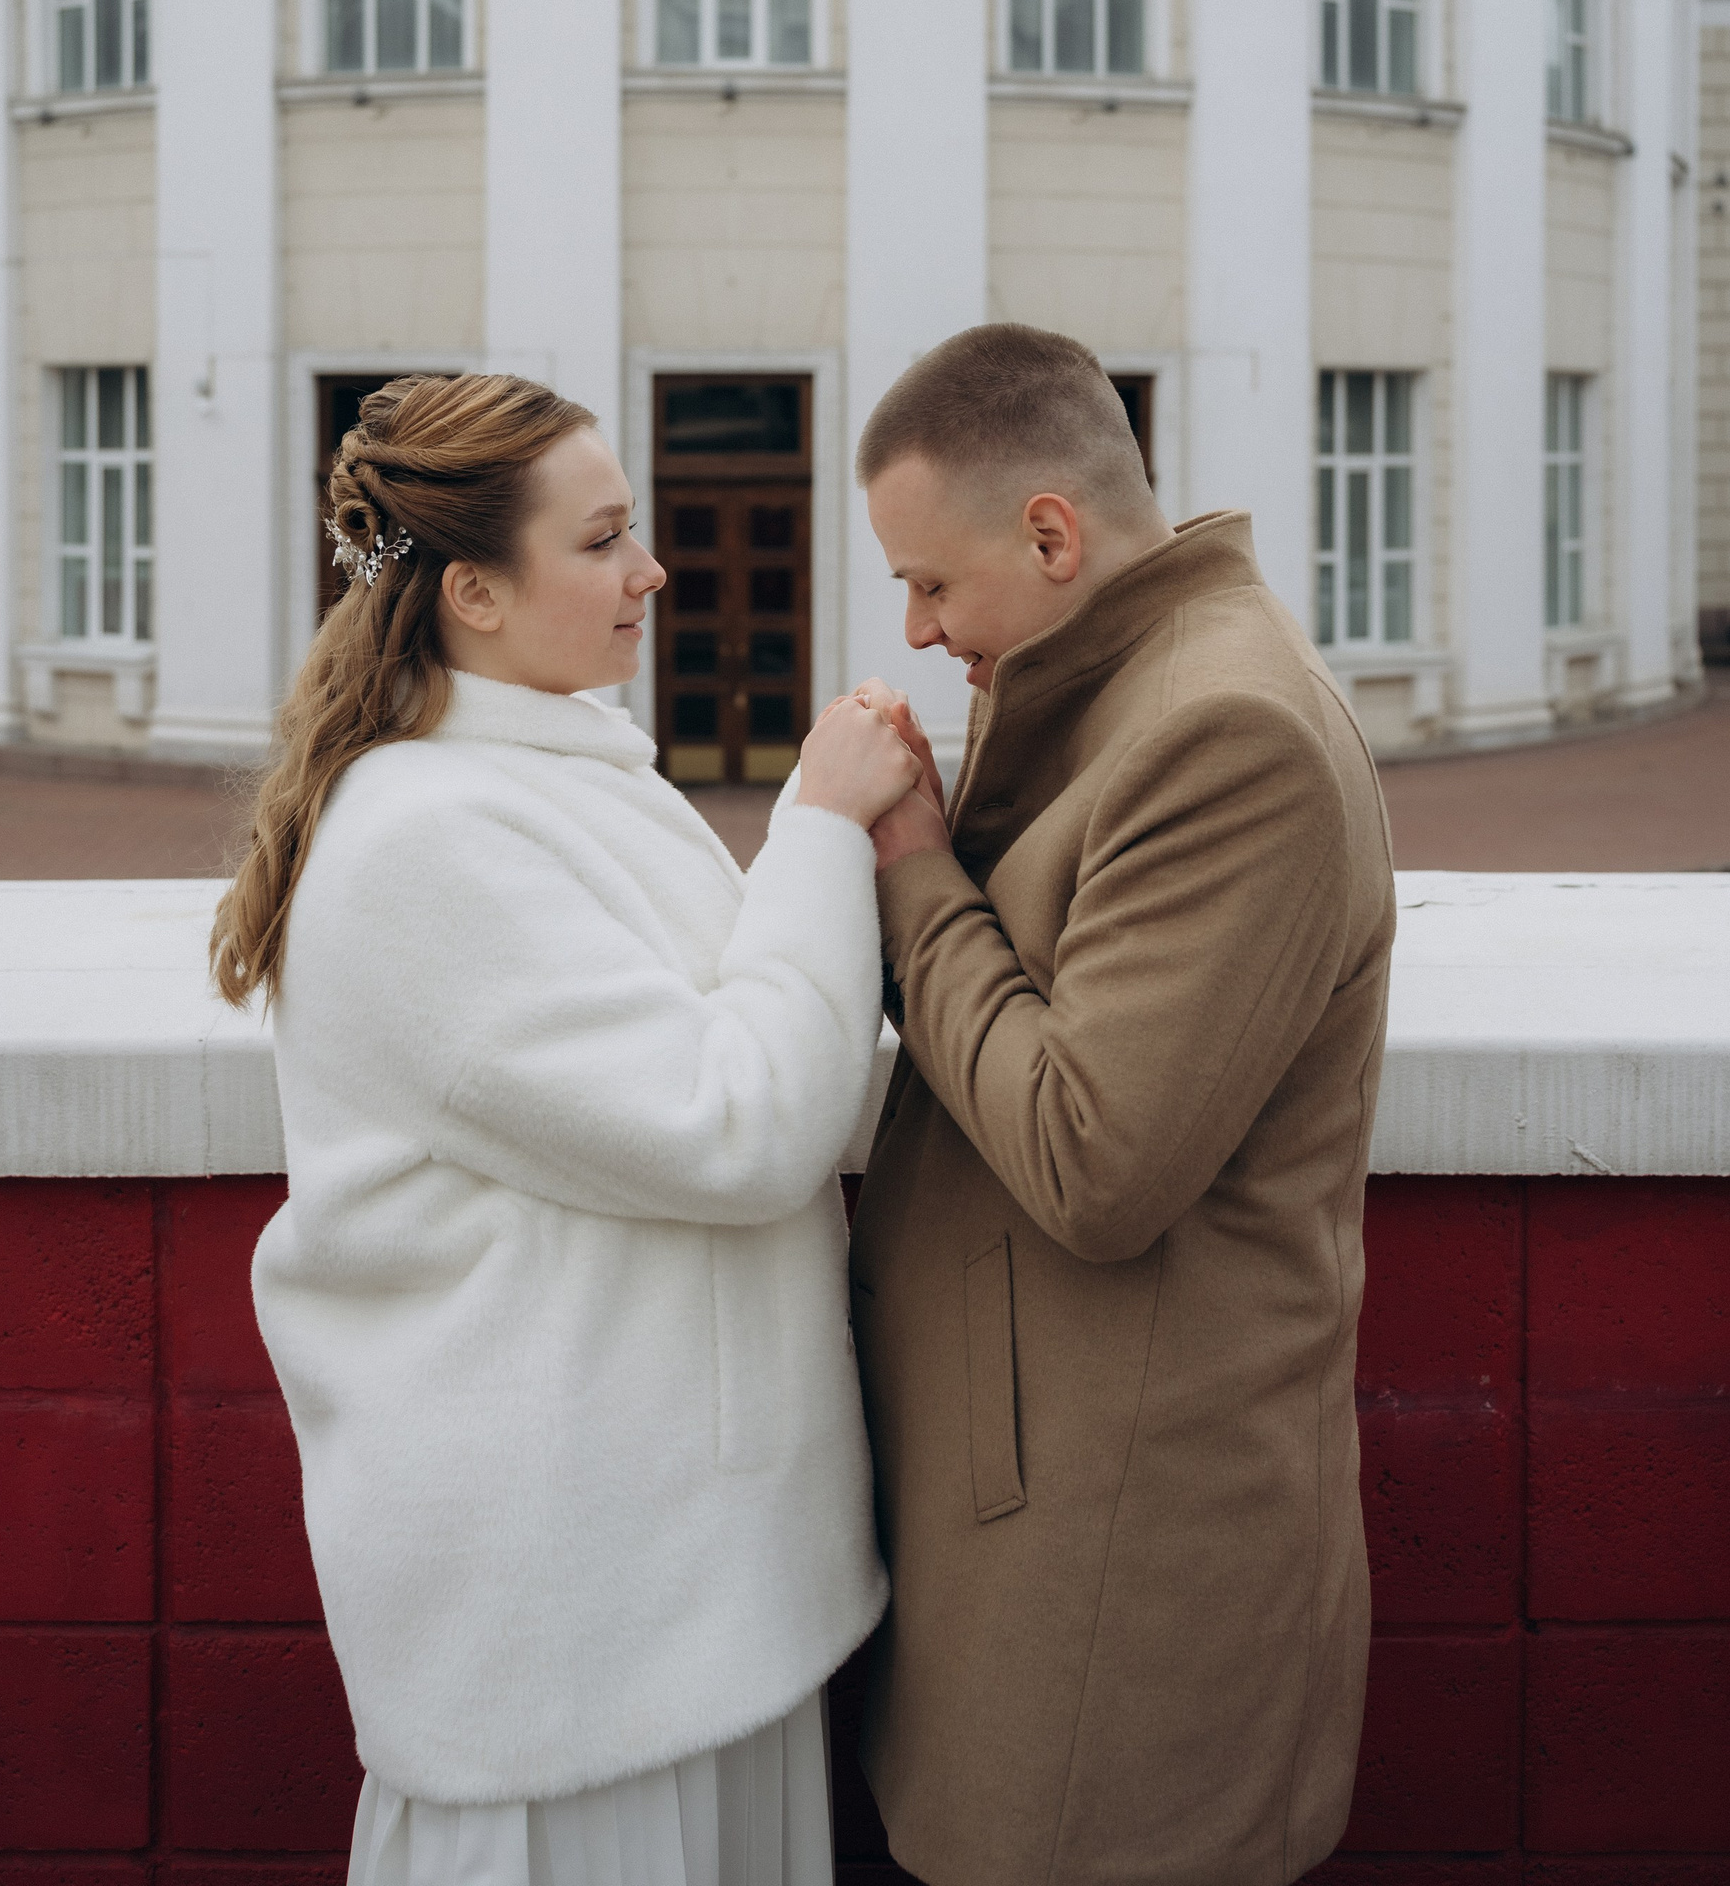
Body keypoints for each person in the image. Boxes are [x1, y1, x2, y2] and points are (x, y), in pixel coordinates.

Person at [210, 369, 918, 1886]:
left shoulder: (548, 774)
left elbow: (712, 1030)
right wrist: (819, 821)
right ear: (472, 591)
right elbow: (737, 1121)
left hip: (671, 1589)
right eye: (601, 541)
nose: (649, 571)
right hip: (573, 1632)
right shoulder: (426, 844)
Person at [843, 322, 1396, 1886]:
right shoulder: (1128, 687)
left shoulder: (1230, 734)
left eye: (930, 583)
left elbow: (1094, 1158)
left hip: (1125, 1568)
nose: (918, 627)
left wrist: (913, 870)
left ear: (1050, 534)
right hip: (1042, 1516)